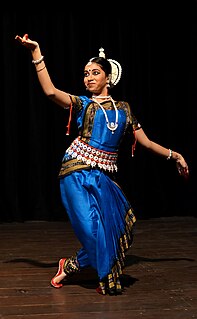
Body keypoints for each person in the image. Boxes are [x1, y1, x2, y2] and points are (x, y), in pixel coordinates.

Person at [15, 33, 189, 296]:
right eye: (86, 74)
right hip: (74, 172)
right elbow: (50, 91)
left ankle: (71, 266)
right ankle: (85, 269)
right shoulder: (83, 105)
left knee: (113, 230)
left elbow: (147, 143)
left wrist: (174, 155)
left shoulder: (124, 110)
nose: (89, 78)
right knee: (94, 232)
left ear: (109, 77)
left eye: (95, 72)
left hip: (102, 177)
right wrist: (35, 52)